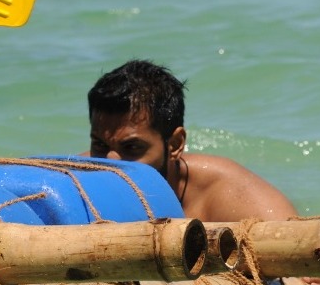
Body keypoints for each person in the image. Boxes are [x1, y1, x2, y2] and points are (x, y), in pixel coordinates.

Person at [86, 59, 297, 223]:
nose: (110, 163)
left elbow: (305, 266)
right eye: (100, 145)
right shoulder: (80, 175)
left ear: (175, 144)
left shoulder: (234, 200)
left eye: (132, 148)